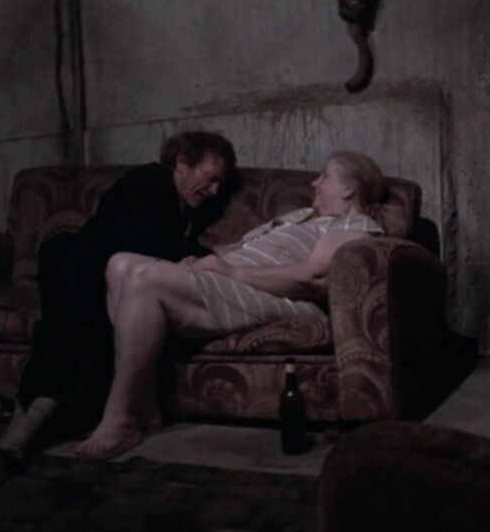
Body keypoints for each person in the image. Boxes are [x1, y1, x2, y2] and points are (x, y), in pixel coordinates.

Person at [74, 150, 388, 460]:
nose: (315, 182)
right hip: (231, 279)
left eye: (325, 176)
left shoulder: (351, 226)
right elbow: (241, 249)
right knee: (119, 264)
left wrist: (231, 272)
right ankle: (147, 407)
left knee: (142, 276)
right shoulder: (301, 216)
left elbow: (310, 278)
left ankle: (119, 418)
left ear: (348, 187)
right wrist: (196, 262)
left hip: (277, 295)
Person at [0, 130, 238, 461]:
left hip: (94, 275)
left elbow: (164, 248)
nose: (215, 191)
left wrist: (210, 254)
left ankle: (29, 420)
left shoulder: (183, 210)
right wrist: (206, 256)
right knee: (83, 319)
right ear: (182, 162)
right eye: (211, 179)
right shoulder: (151, 182)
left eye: (220, 184)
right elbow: (146, 246)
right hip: (77, 263)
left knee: (84, 326)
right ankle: (34, 420)